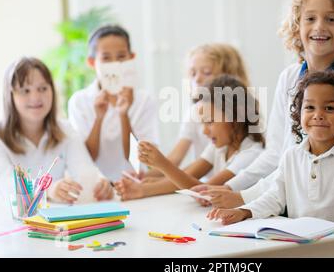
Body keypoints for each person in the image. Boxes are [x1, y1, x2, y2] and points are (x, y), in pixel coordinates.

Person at [193, 0, 334, 209]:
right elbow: (276, 153)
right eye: (310, 18)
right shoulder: (289, 77)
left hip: (328, 203)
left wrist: (245, 197)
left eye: (332, 19)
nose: (320, 26)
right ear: (296, 28)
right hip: (286, 197)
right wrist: (231, 187)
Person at [207, 71, 334, 258]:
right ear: (299, 115)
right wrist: (243, 211)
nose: (318, 114)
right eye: (310, 107)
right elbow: (274, 197)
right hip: (303, 253)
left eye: (329, 108)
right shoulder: (292, 156)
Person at [115, 74, 264, 200]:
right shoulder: (219, 148)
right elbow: (187, 176)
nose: (205, 131)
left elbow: (204, 192)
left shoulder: (251, 154)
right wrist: (149, 184)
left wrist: (161, 165)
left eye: (210, 122)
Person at [0, 57, 113, 206]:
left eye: (42, 88)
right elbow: (6, 185)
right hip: (6, 224)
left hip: (54, 224)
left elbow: (85, 170)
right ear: (10, 96)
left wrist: (99, 184)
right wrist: (47, 190)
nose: (35, 97)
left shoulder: (65, 130)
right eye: (25, 90)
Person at [144, 43, 251, 181]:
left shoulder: (244, 119)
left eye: (206, 72)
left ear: (228, 77)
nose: (197, 79)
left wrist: (157, 181)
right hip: (206, 185)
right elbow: (178, 159)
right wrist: (143, 178)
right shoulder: (194, 112)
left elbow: (199, 183)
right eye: (193, 73)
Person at [68, 25, 159, 181]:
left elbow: (138, 159)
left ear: (131, 57)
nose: (115, 64)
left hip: (134, 185)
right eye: (106, 58)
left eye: (121, 56)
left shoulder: (144, 100)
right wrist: (99, 118)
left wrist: (124, 115)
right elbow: (86, 158)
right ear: (92, 62)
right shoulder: (79, 101)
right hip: (95, 187)